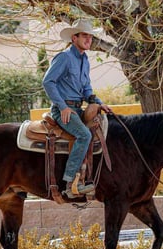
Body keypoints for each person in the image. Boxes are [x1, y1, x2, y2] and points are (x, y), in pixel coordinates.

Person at [42, 19, 112, 197]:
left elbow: (86, 89)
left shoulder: (85, 60)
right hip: (63, 110)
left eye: (90, 36)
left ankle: (89, 177)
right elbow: (48, 82)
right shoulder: (64, 57)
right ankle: (70, 183)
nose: (89, 39)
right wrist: (63, 107)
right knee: (84, 135)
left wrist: (99, 102)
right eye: (84, 36)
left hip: (78, 108)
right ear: (74, 38)